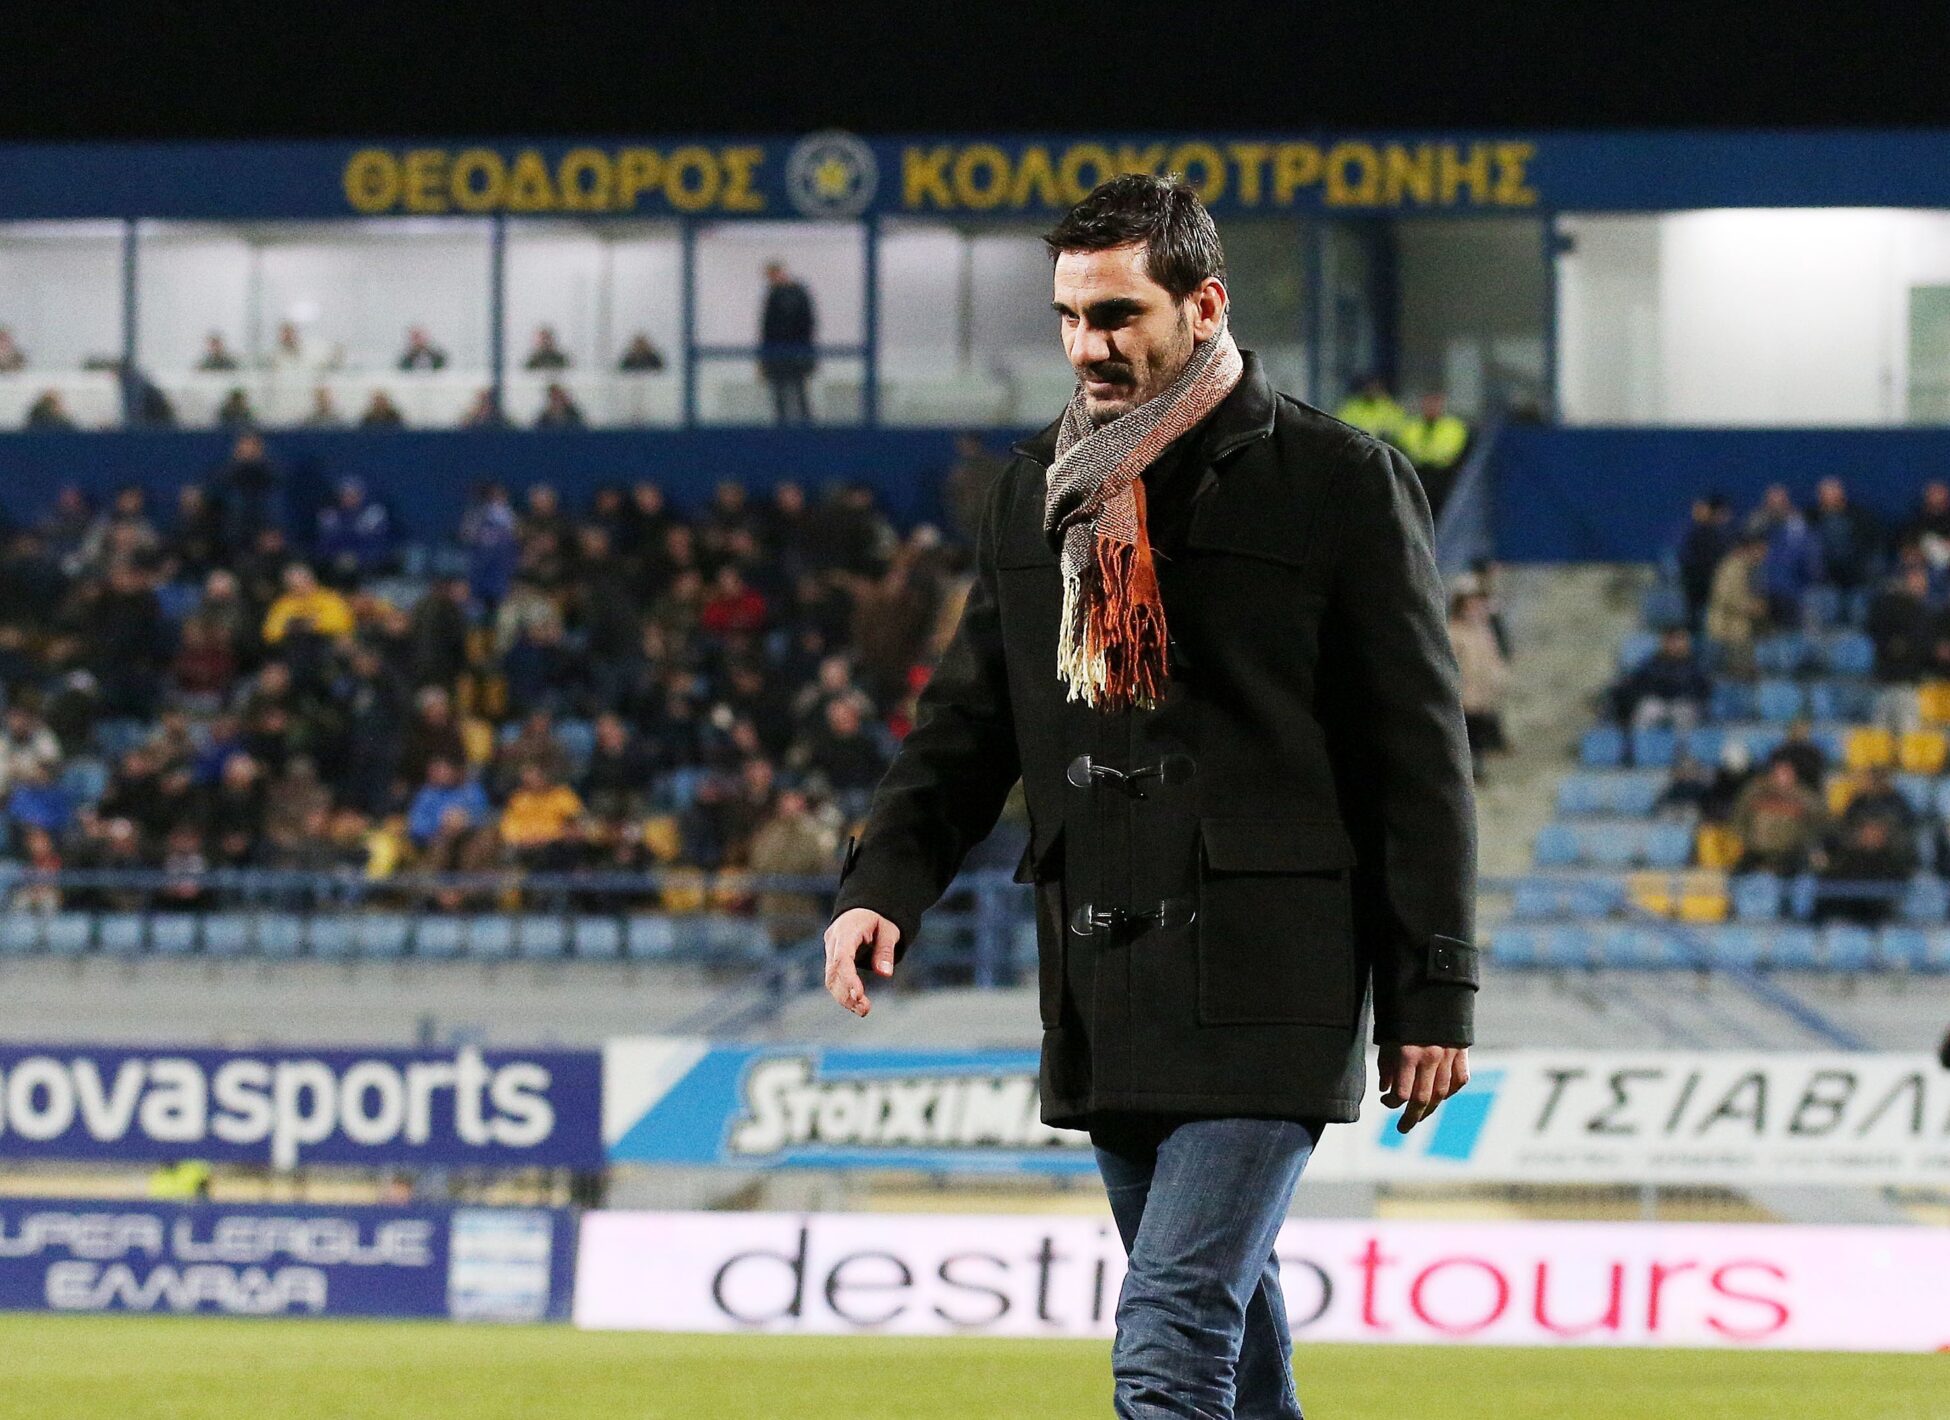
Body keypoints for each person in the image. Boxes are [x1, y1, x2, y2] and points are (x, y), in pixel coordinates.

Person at [824, 175, 1478, 1420]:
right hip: (1106, 981)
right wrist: (883, 886)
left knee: (1169, 1330)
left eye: (1118, 314)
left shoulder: (1340, 477)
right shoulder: (1036, 485)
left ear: (1204, 304)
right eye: (1071, 318)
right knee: (1239, 1351)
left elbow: (1418, 757)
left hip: (1273, 982)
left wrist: (1432, 986)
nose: (1089, 345)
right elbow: (970, 721)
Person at [1394, 391, 1472, 520]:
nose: (1431, 407)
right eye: (1428, 403)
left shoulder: (1455, 427)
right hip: (1417, 475)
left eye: (1435, 403)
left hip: (1443, 477)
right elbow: (1403, 449)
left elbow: (1456, 454)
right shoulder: (1410, 427)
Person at [758, 260, 816, 425]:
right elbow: (767, 328)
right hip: (785, 352)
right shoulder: (786, 293)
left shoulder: (791, 294)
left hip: (791, 351)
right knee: (786, 394)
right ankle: (794, 425)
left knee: (796, 393)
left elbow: (806, 324)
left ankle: (799, 425)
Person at [1333, 374, 1405, 444]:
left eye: (1375, 386)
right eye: (1369, 387)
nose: (1372, 390)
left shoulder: (1388, 407)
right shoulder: (1352, 406)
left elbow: (1399, 429)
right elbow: (1340, 426)